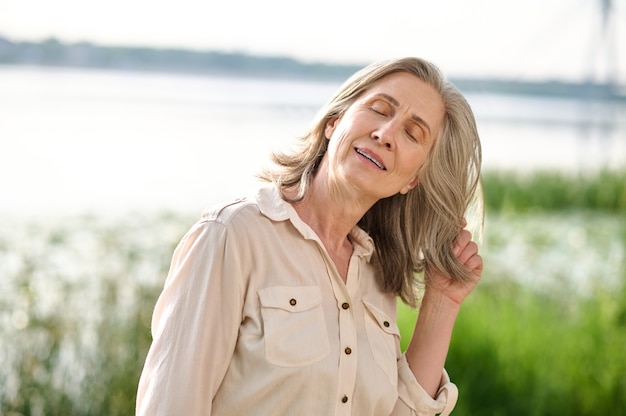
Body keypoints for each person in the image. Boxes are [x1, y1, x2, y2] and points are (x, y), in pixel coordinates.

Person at [136, 56, 483, 416]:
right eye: (379, 109)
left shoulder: (376, 276)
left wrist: (443, 300)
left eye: (413, 134)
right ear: (335, 121)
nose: (386, 134)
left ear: (413, 179)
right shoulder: (231, 236)